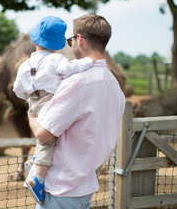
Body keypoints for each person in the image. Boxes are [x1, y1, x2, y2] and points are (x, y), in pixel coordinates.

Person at [27, 14, 125, 209]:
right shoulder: (114, 85)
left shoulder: (76, 83)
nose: (71, 44)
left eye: (70, 40)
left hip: (60, 189)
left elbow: (43, 133)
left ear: (79, 39)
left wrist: (31, 112)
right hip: (85, 185)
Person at [13, 16, 94, 204]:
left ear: (34, 41)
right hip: (50, 102)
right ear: (57, 45)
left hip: (33, 101)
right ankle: (37, 179)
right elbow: (69, 69)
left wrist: (30, 100)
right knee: (50, 139)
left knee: (43, 137)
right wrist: (88, 62)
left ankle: (33, 160)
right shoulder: (56, 59)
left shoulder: (25, 65)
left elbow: (17, 89)